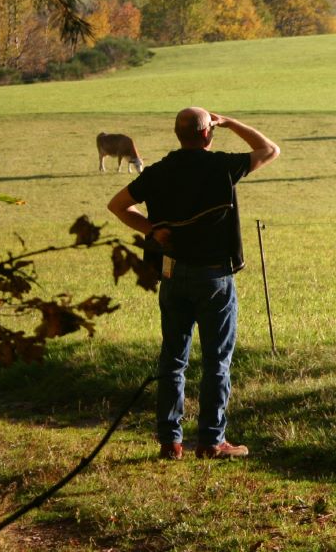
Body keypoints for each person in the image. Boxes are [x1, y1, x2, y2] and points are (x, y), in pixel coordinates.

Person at [107, 107, 279, 460]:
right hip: (215, 277)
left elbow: (118, 205)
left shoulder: (158, 172)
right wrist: (229, 122)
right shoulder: (221, 166)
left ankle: (170, 442)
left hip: (172, 274)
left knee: (172, 360)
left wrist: (151, 230)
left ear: (177, 134)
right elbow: (269, 150)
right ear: (206, 134)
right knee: (217, 361)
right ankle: (211, 441)